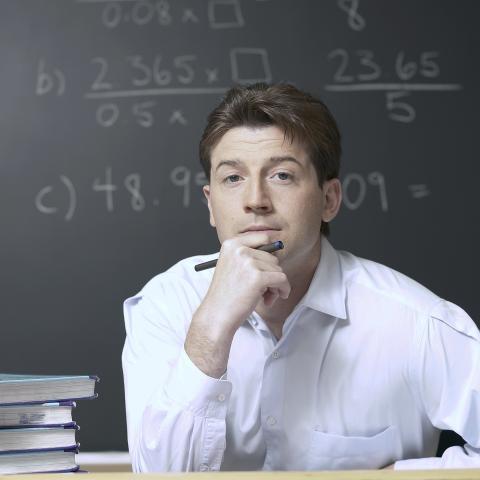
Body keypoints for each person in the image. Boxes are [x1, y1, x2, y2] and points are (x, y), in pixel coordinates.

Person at [122, 83, 480, 472]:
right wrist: (211, 326)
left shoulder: (416, 323)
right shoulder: (165, 306)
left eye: (281, 175)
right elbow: (159, 474)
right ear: (210, 204)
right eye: (233, 178)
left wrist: (399, 476)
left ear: (329, 200)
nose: (255, 199)